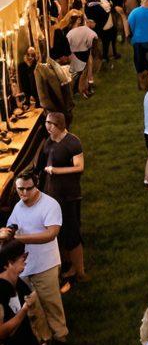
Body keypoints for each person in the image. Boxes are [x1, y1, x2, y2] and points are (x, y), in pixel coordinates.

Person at [0, 170, 67, 345]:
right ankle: (44, 338)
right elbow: (13, 225)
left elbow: (51, 234)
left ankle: (60, 337)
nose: (23, 193)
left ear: (35, 185)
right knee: (32, 306)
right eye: (20, 189)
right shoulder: (19, 205)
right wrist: (8, 231)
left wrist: (20, 238)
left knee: (51, 303)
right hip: (24, 267)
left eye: (28, 189)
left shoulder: (49, 205)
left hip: (46, 264)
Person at [40, 113, 88, 284]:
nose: (48, 127)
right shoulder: (49, 141)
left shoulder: (72, 142)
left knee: (72, 232)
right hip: (53, 194)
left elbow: (79, 167)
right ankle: (69, 265)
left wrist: (57, 171)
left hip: (69, 194)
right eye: (46, 123)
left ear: (59, 124)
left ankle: (80, 271)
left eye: (51, 124)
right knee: (60, 232)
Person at [65, 11, 97, 98]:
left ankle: (78, 89)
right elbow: (94, 38)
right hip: (82, 53)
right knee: (81, 73)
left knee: (79, 73)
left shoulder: (69, 33)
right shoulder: (84, 30)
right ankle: (81, 89)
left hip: (75, 53)